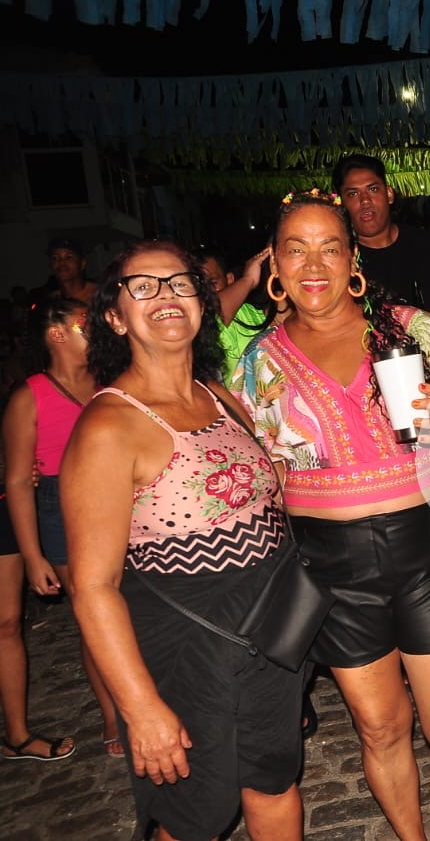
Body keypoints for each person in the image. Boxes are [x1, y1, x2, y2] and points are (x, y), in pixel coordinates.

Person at [230, 191, 430, 840]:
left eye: (330, 248)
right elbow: (248, 470)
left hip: (423, 548)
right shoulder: (259, 362)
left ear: (353, 260)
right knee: (380, 727)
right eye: (296, 249)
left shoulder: (409, 328)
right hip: (330, 564)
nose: (313, 264)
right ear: (274, 265)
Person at [61, 242, 308, 839]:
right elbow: (94, 587)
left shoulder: (218, 396)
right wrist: (141, 707)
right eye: (143, 287)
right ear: (116, 317)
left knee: (274, 782)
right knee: (195, 815)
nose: (166, 295)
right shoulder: (109, 426)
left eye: (180, 282)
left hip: (268, 637)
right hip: (188, 650)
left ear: (202, 302)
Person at [2, 297, 119, 757]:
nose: (98, 330)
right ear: (57, 334)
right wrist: (33, 556)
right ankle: (112, 714)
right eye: (86, 324)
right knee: (96, 613)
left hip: (118, 495)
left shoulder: (109, 381)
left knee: (134, 606)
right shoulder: (29, 396)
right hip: (60, 504)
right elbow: (17, 480)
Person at [333, 153, 430, 333]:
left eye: (373, 189)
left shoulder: (425, 245)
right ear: (341, 203)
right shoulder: (339, 258)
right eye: (353, 194)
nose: (365, 201)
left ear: (389, 194)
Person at [193, 243, 272, 382]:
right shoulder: (192, 324)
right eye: (196, 285)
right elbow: (212, 311)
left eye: (212, 283)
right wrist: (248, 280)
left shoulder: (253, 313)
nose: (204, 292)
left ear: (229, 279)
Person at [45, 238, 96, 305]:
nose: (61, 262)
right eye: (55, 258)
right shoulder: (51, 301)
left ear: (82, 263)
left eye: (68, 257)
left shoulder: (99, 295)